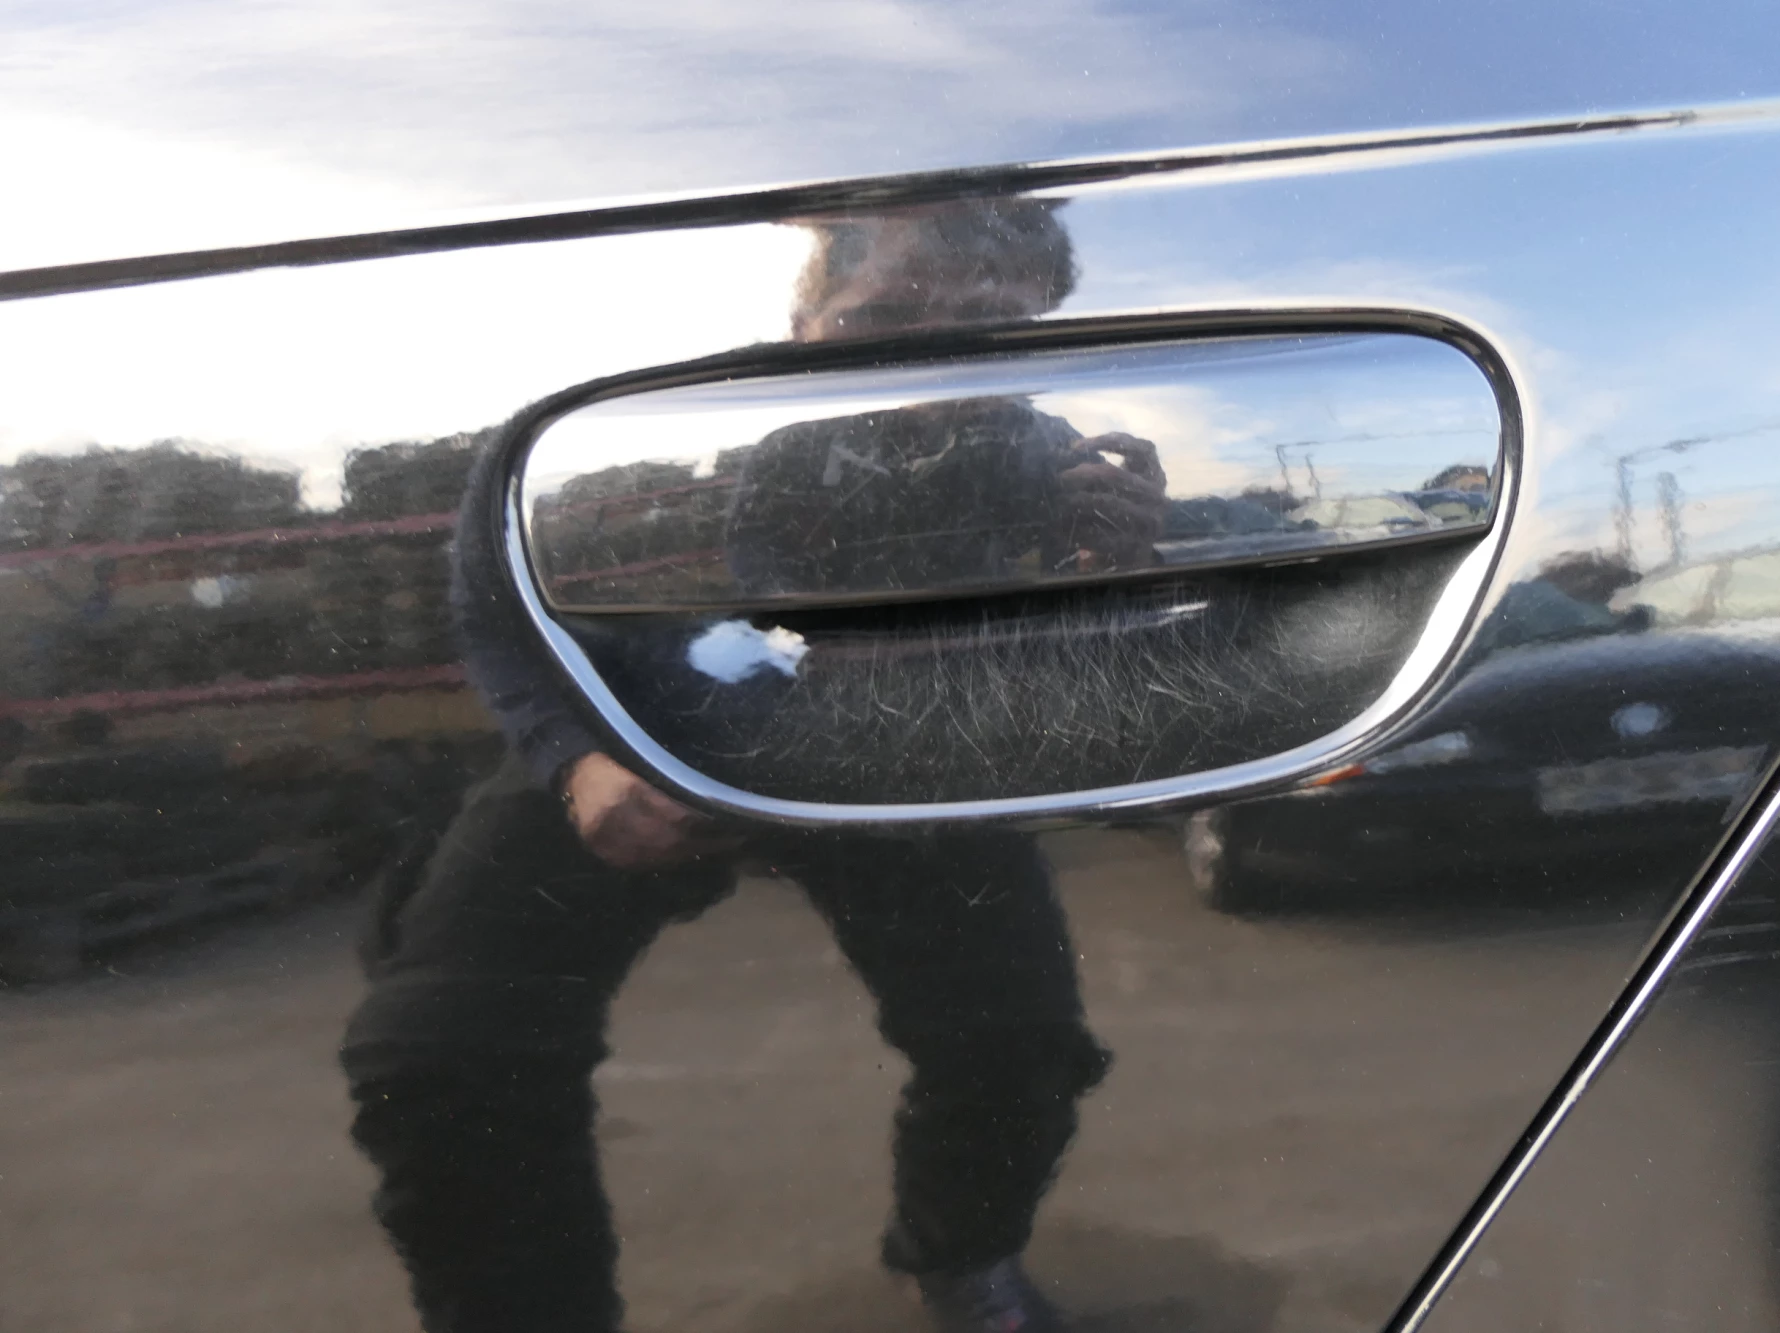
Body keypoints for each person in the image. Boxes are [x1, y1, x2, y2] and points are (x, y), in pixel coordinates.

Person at [341, 200, 1165, 1333]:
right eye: (885, 319)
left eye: (989, 323)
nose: (935, 360)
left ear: (1041, 327)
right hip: (646, 733)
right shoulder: (653, 427)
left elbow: (1090, 663)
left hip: (905, 756)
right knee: (441, 1048)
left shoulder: (1050, 460)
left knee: (1018, 1044)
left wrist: (1120, 565)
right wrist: (576, 761)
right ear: (802, 322)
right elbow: (499, 609)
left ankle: (963, 1255)